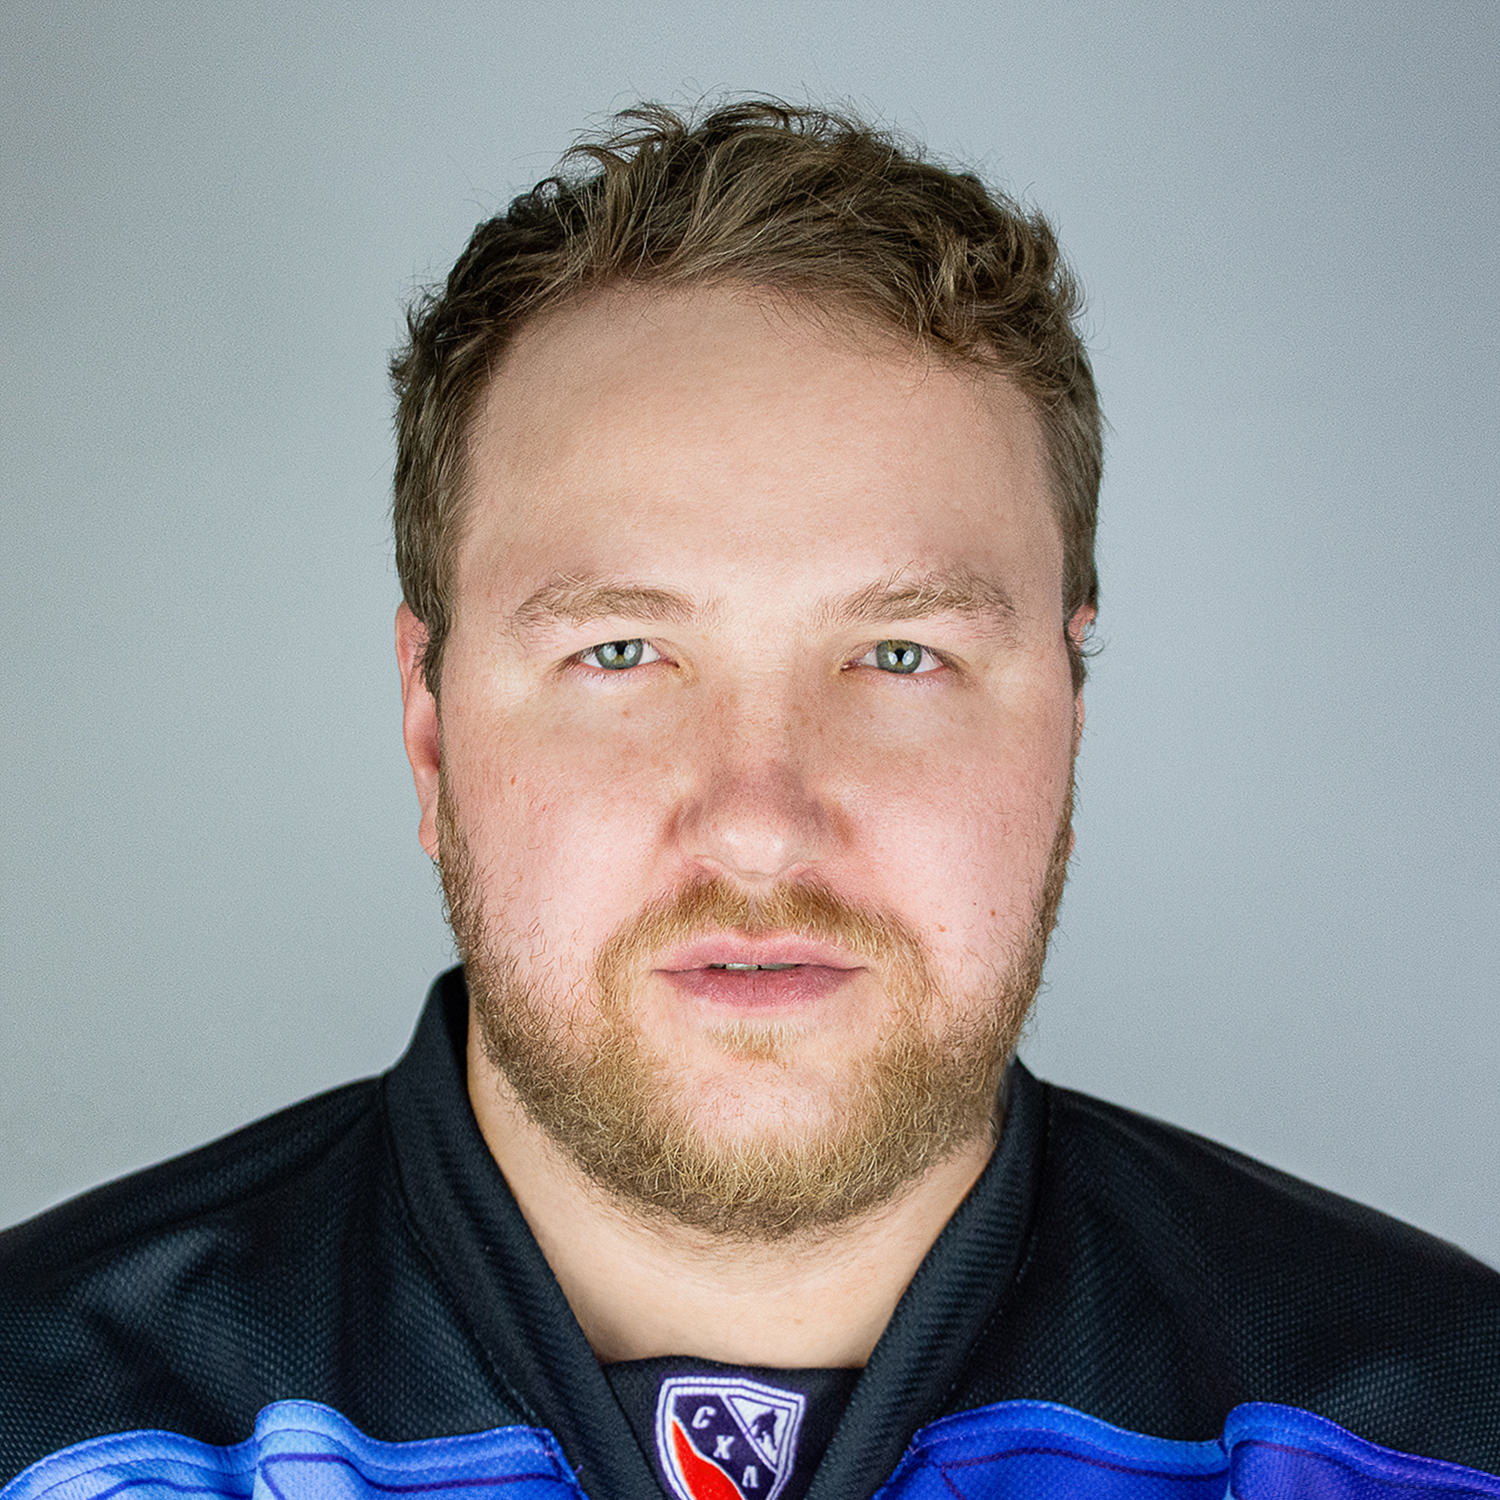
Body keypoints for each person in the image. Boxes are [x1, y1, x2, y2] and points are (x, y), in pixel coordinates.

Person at [2, 100, 1498, 1500]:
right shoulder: (38, 1421)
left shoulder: (1448, 1428)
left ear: (1071, 713)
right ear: (430, 725)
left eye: (900, 655)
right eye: (621, 652)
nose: (762, 824)